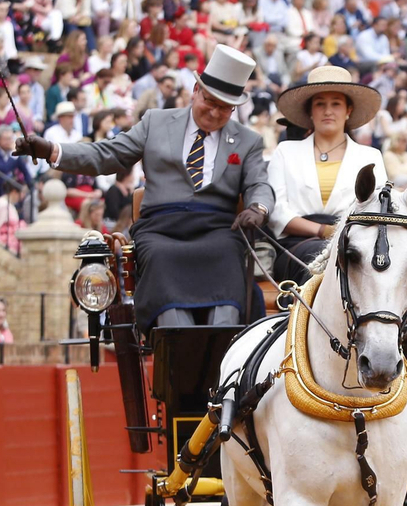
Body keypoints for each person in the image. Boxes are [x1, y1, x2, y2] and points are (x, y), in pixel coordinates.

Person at [14, 44, 273, 328]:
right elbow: (107, 154)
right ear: (195, 91)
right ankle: (177, 346)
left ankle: (224, 347)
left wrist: (257, 208)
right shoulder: (156, 122)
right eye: (209, 101)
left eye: (224, 107)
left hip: (218, 230)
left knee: (228, 256)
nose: (214, 112)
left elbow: (258, 182)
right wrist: (51, 150)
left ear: (234, 108)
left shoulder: (248, 140)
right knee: (161, 258)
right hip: (162, 229)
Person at [266, 65, 387, 283]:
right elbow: (277, 211)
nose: (328, 111)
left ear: (348, 110)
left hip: (353, 243)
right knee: (327, 259)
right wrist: (324, 230)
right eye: (320, 104)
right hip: (296, 245)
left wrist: (341, 234)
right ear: (310, 112)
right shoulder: (285, 151)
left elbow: (378, 210)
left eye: (336, 104)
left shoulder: (370, 156)